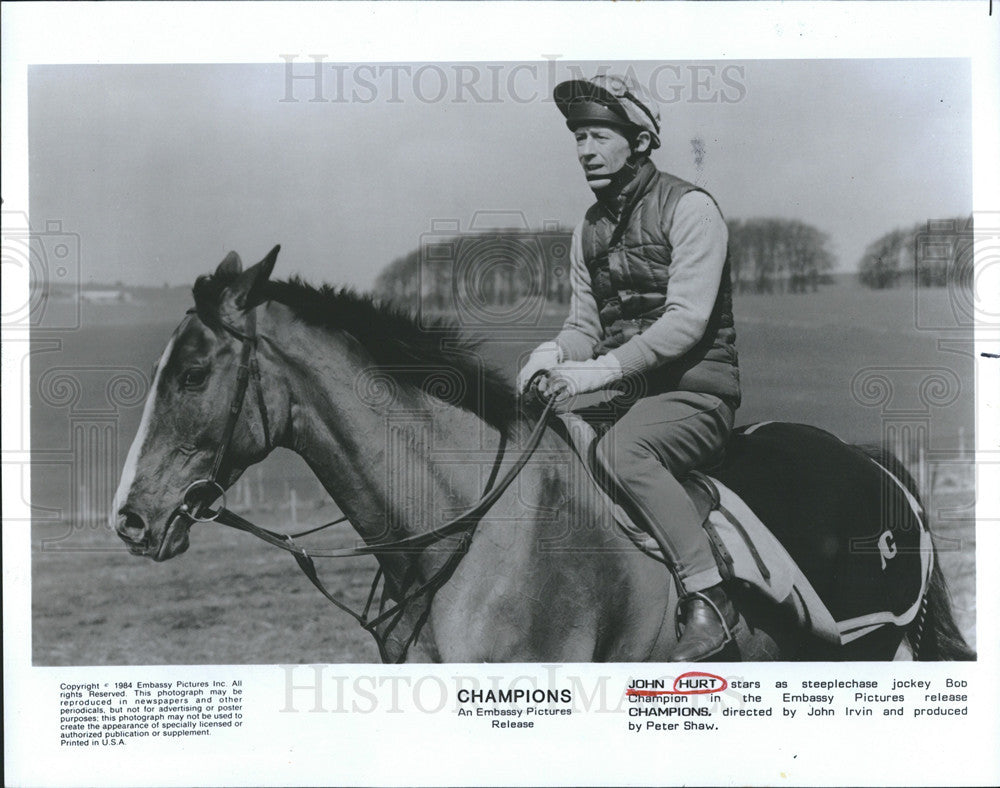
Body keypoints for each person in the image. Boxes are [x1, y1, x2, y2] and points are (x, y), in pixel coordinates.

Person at [517, 73, 741, 661]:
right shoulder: (587, 229)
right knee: (536, 438)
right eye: (577, 138)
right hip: (627, 395)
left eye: (597, 135)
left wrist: (600, 371)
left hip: (697, 398)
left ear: (639, 141)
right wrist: (551, 358)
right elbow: (583, 326)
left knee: (622, 453)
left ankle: (711, 596)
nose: (584, 150)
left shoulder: (691, 208)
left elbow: (686, 322)